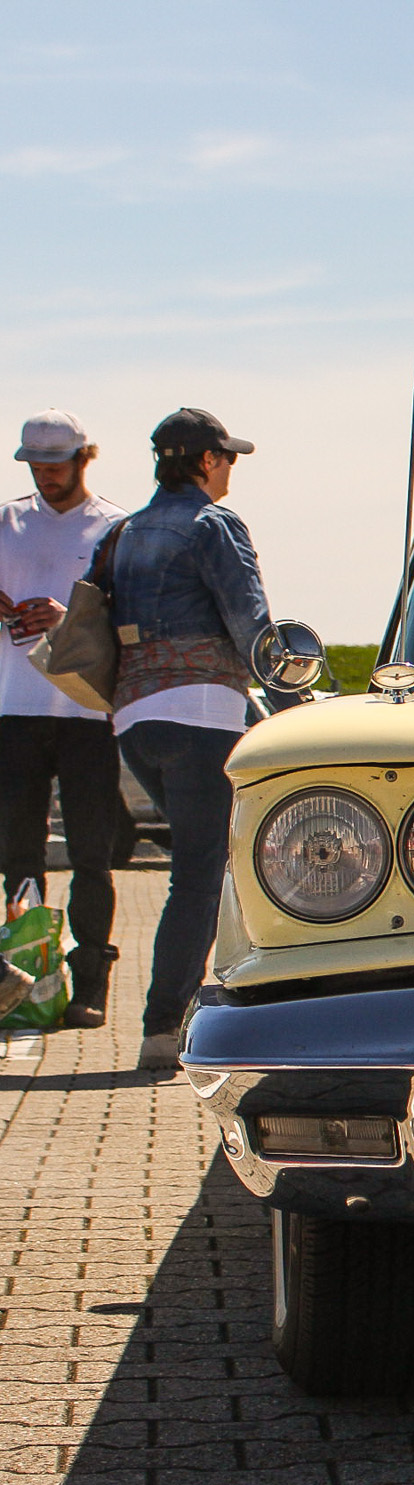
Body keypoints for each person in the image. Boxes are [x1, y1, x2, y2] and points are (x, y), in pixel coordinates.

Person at [106, 409, 271, 1071]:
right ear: (206, 461)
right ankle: (163, 1027)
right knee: (200, 876)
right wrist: (294, 705)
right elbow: (252, 627)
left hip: (134, 721)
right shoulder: (213, 525)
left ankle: (224, 999)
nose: (230, 471)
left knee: (213, 864)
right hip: (200, 712)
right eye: (227, 458)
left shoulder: (124, 531)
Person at [0, 411, 125, 1028]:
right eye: (35, 465)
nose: (45, 475)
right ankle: (28, 979)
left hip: (87, 712)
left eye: (55, 463)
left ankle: (90, 982)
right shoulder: (6, 522)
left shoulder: (115, 526)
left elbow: (129, 617)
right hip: (13, 708)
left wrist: (67, 616)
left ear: (83, 458)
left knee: (91, 856)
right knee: (18, 856)